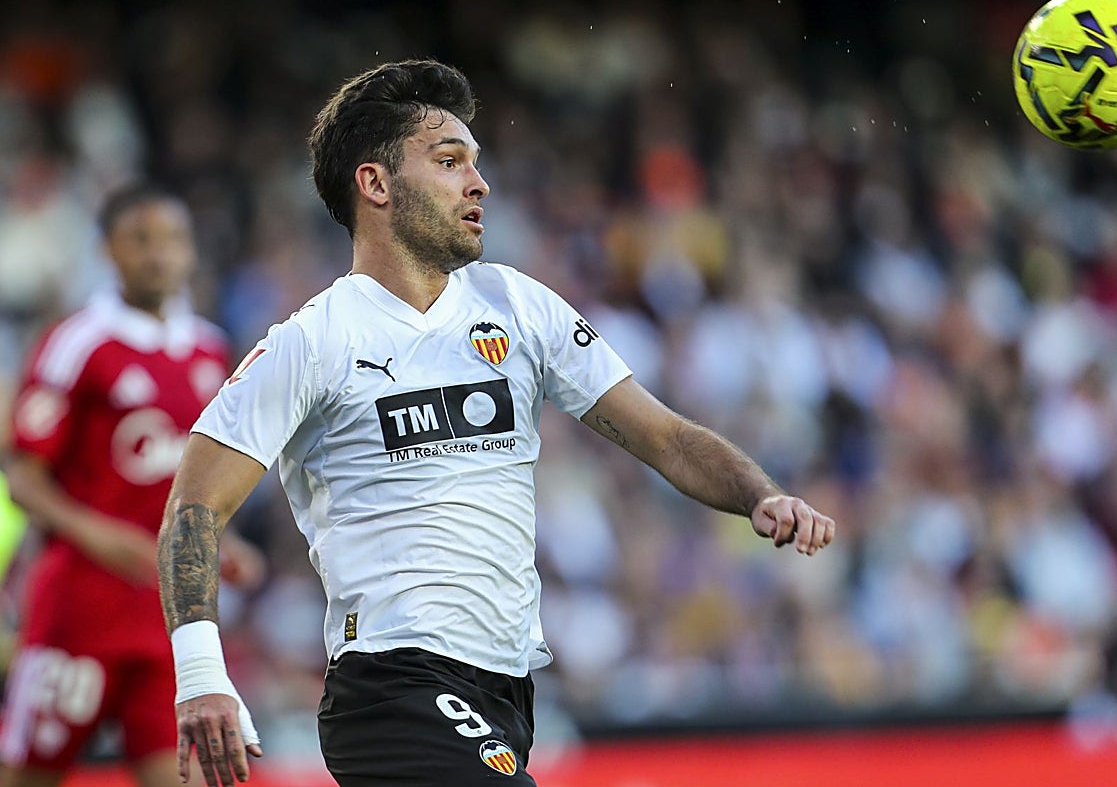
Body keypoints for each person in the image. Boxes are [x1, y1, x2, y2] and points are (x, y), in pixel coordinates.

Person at [157, 59, 836, 787]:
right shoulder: (313, 340)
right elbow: (192, 509)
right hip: (392, 682)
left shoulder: (517, 305)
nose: (479, 184)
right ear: (375, 184)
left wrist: (760, 494)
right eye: (450, 162)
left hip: (505, 688)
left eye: (475, 163)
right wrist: (201, 674)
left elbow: (665, 436)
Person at [0, 185, 265, 787]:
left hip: (170, 616)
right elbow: (22, 477)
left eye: (172, 240)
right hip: (79, 606)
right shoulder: (78, 342)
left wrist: (225, 542)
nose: (158, 254)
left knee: (183, 775)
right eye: (140, 240)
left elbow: (198, 481)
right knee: (29, 775)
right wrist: (100, 534)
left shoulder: (209, 349)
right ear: (108, 250)